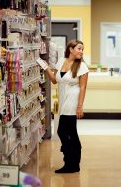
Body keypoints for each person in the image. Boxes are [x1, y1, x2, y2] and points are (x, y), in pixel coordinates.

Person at [36, 40, 89, 173]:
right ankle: (72, 163)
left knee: (66, 132)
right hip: (63, 100)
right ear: (70, 49)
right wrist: (46, 67)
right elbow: (54, 80)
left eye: (82, 49)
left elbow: (83, 87)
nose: (81, 51)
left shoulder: (82, 66)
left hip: (73, 100)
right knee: (66, 132)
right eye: (79, 48)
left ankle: (71, 162)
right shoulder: (61, 61)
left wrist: (79, 106)